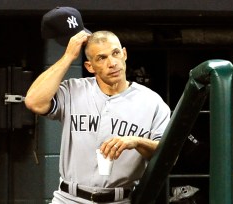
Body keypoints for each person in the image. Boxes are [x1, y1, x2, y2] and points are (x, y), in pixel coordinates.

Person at [25, 8, 171, 204]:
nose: (112, 63)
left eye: (115, 53)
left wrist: (136, 142)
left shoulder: (152, 102)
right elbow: (34, 102)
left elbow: (168, 155)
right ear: (90, 67)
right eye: (102, 58)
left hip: (118, 200)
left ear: (124, 54)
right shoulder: (73, 90)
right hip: (68, 198)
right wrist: (68, 56)